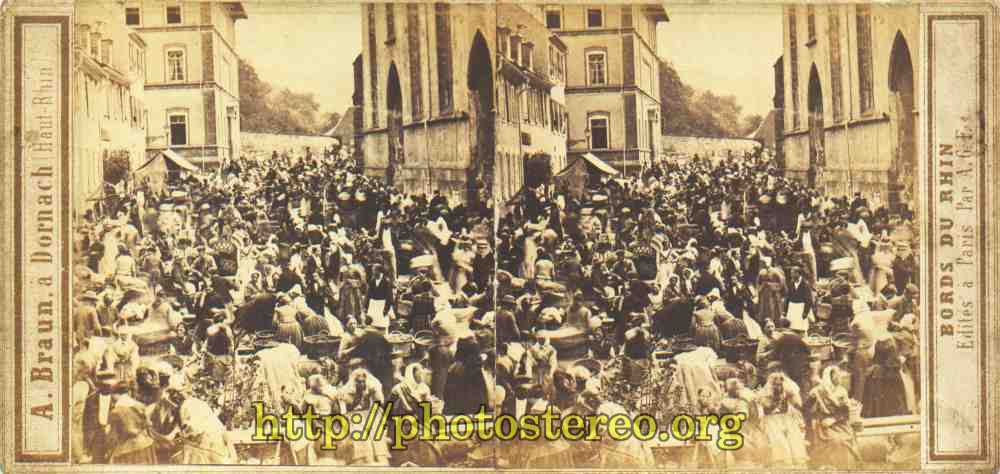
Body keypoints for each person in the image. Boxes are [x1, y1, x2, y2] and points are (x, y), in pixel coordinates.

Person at [806, 366, 861, 467]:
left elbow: (845, 411)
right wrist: (812, 399)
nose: (840, 377)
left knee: (844, 440)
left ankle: (845, 466)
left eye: (840, 375)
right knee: (835, 441)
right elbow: (808, 409)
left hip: (840, 423)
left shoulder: (842, 391)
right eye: (837, 375)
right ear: (829, 377)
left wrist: (834, 419)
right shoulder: (818, 391)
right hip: (824, 425)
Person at [758, 371, 808, 467]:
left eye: (780, 384)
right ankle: (782, 463)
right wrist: (777, 400)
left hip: (786, 419)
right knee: (780, 442)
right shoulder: (765, 394)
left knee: (794, 440)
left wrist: (792, 397)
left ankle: (796, 463)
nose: (778, 387)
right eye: (776, 385)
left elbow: (797, 405)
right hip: (771, 420)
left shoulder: (786, 393)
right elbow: (768, 409)